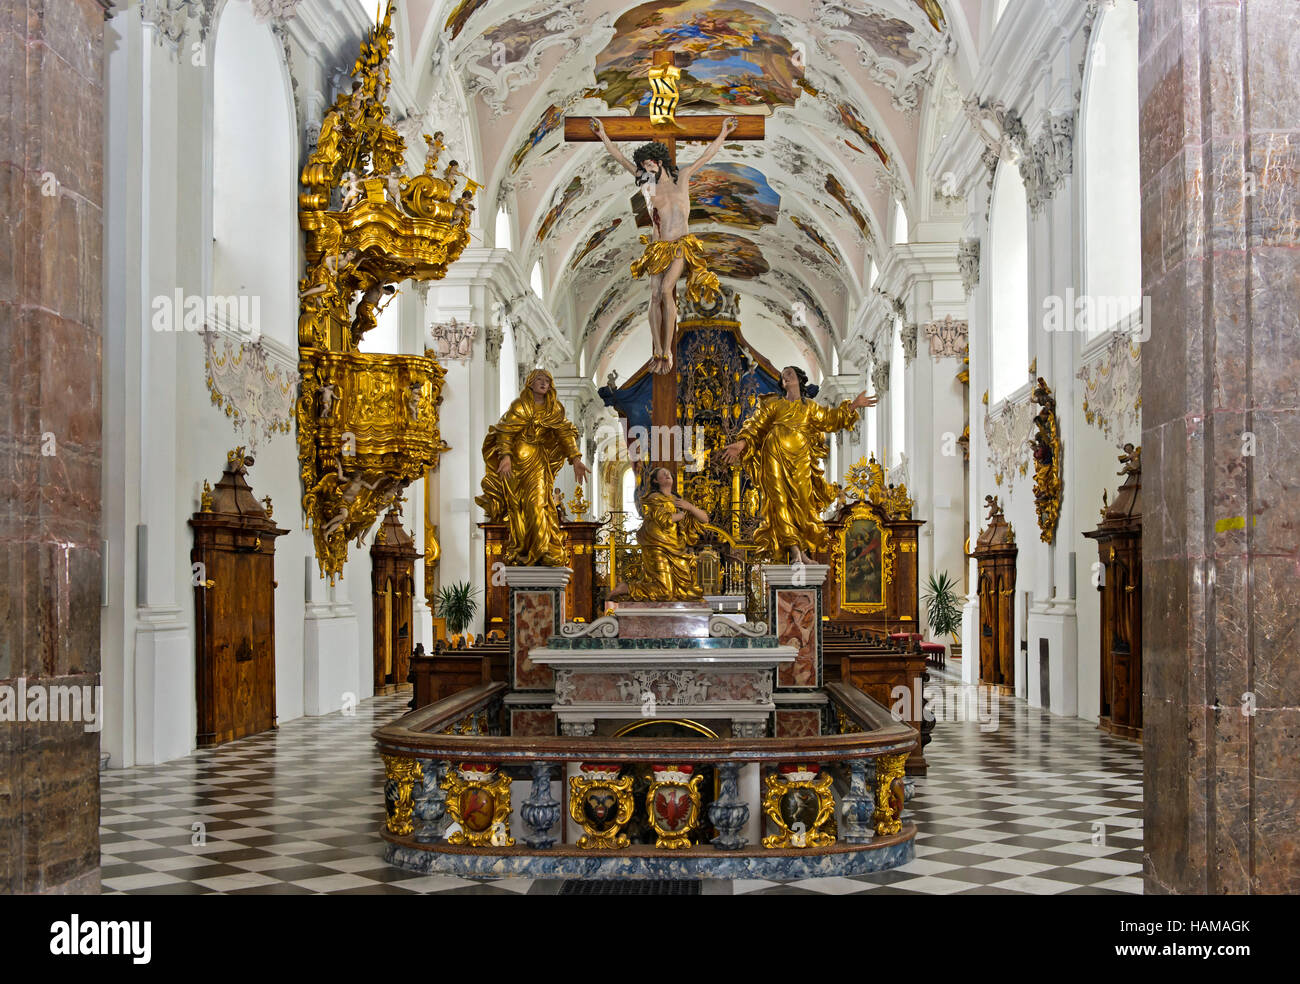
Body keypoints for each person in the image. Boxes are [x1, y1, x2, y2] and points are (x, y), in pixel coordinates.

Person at [589, 116, 737, 374]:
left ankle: (667, 349)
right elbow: (621, 160)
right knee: (655, 294)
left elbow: (705, 157)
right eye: (644, 165)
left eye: (649, 163)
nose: (646, 168)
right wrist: (604, 137)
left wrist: (723, 134)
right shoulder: (648, 186)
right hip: (658, 248)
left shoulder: (683, 180)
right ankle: (656, 348)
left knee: (668, 289)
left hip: (681, 245)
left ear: (659, 162)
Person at [722, 366, 876, 564]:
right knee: (779, 501)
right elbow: (756, 426)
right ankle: (795, 551)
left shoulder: (810, 407)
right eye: (783, 374)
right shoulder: (773, 404)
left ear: (799, 379)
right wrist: (741, 444)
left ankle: (802, 550)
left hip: (800, 459)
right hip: (774, 455)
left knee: (802, 503)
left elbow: (830, 419)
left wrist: (853, 406)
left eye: (789, 373)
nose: (785, 375)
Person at [476, 369, 589, 566]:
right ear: (530, 382)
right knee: (518, 506)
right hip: (516, 462)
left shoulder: (554, 409)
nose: (544, 383)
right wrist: (505, 457)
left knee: (538, 502)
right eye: (539, 379)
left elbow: (564, 433)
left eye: (547, 380)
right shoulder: (520, 406)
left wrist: (575, 459)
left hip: (538, 459)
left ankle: (541, 550)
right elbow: (505, 432)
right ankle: (524, 546)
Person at [610, 467, 709, 601]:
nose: (668, 474)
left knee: (690, 593)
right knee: (665, 592)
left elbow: (705, 519)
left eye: (669, 473)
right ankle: (628, 588)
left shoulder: (679, 501)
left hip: (676, 549)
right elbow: (664, 519)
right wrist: (681, 515)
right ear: (656, 480)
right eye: (663, 474)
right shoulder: (654, 498)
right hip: (657, 546)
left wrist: (690, 507)